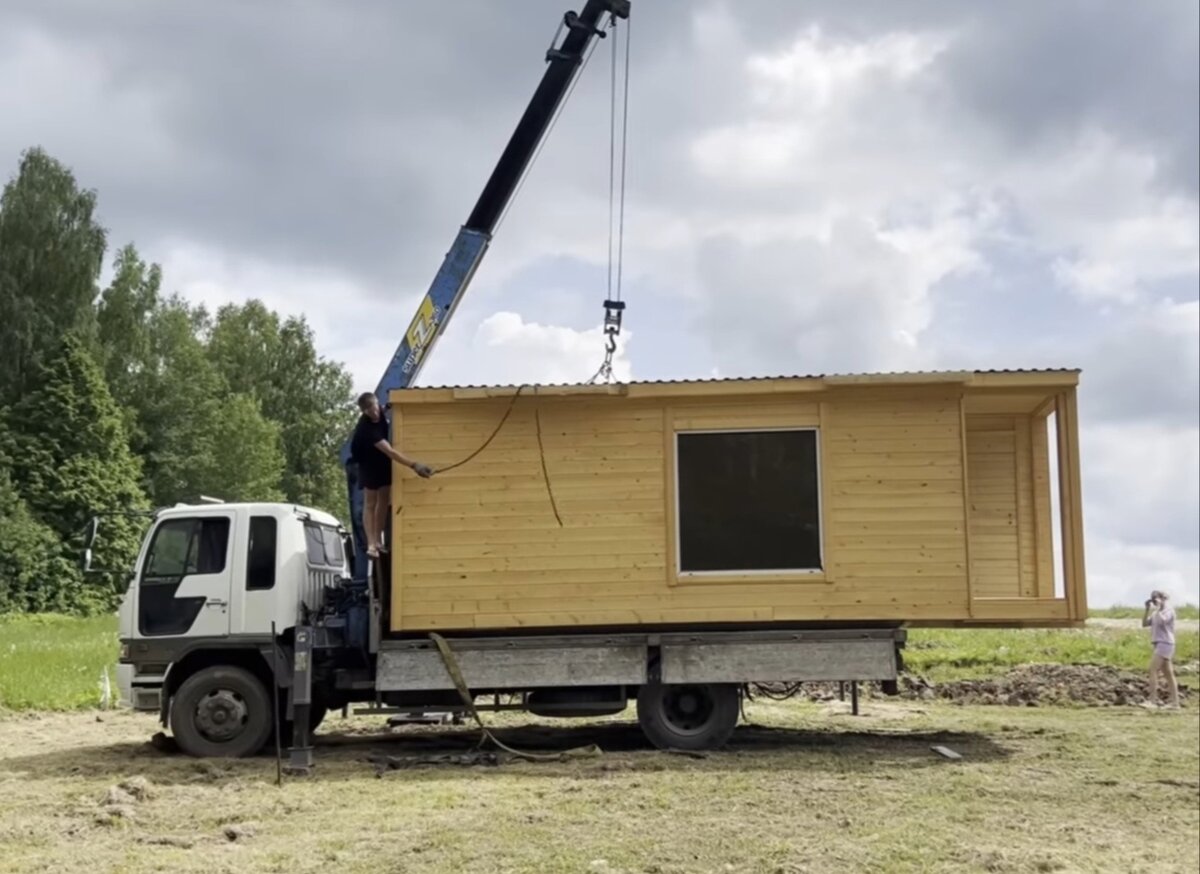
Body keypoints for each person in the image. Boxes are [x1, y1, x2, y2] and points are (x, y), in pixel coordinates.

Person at [350, 391, 434, 558]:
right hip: (367, 462)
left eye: (374, 408)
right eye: (368, 411)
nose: (374, 413)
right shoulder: (367, 430)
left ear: (377, 404)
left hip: (381, 461)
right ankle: (372, 544)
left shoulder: (381, 409)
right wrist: (415, 465)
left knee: (384, 499)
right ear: (364, 412)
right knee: (370, 503)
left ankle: (379, 539)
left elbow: (387, 407)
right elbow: (392, 453)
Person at [1141, 589, 1180, 710]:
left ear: (1163, 599)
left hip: (1166, 643)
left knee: (1152, 669)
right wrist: (1147, 609)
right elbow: (1144, 624)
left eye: (1156, 598)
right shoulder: (1155, 613)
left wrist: (1158, 608)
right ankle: (1175, 703)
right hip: (1159, 643)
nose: (1154, 601)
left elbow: (1163, 621)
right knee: (1168, 674)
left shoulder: (1169, 611)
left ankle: (1152, 701)